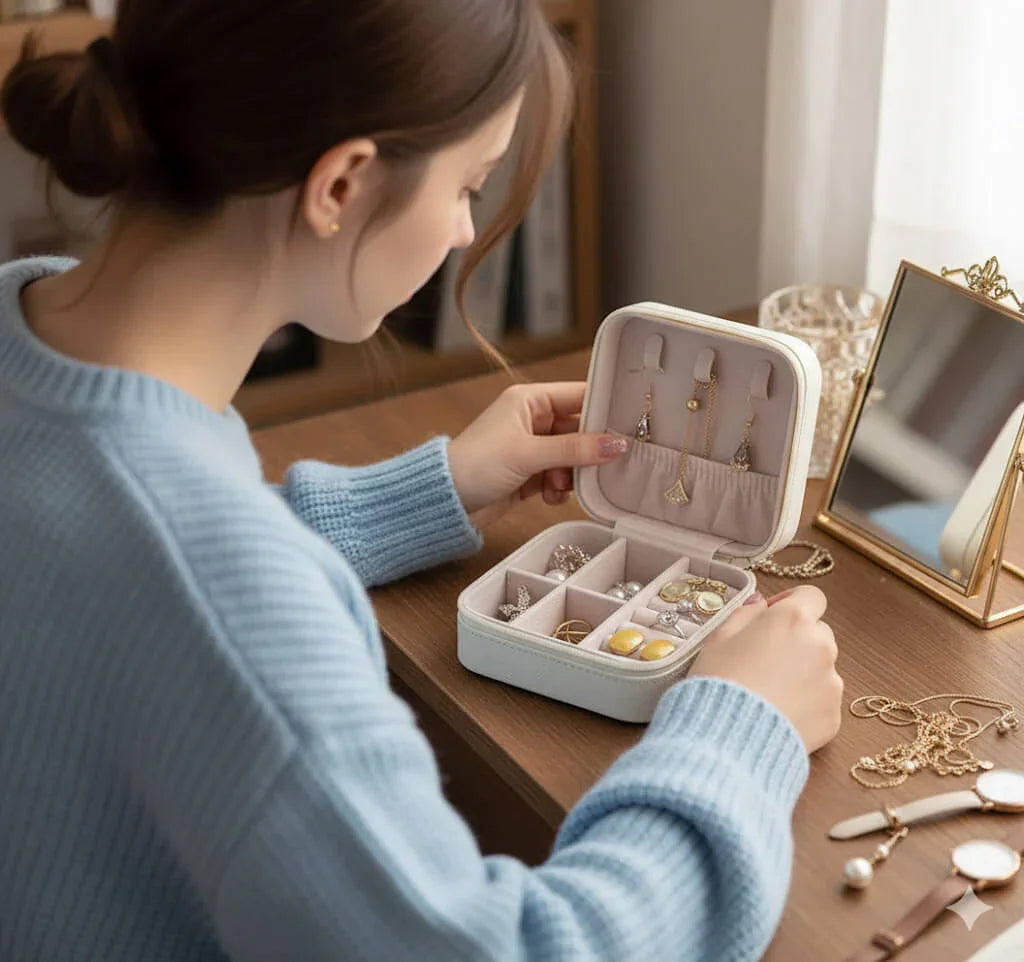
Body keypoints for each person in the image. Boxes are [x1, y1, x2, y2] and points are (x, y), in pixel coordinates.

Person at [0, 1, 843, 959]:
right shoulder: (232, 607)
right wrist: (743, 730)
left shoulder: (26, 328)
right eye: (469, 185)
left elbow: (117, 572)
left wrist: (431, 489)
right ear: (343, 183)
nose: (461, 230)